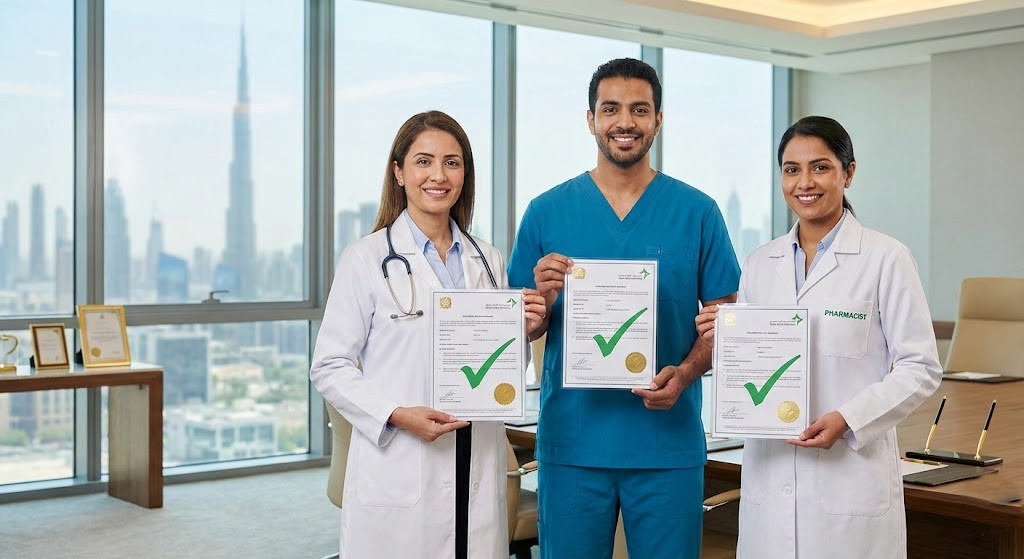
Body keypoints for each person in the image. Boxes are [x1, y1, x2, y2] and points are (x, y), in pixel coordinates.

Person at [507, 58, 740, 558]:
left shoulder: (698, 212)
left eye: (639, 109)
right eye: (610, 109)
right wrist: (540, 305)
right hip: (572, 443)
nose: (625, 122)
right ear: (590, 119)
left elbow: (724, 324)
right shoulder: (546, 211)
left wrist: (688, 369)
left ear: (658, 119)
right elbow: (515, 330)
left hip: (666, 442)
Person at [696, 115, 942, 559]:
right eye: (792, 169)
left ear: (848, 173)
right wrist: (724, 339)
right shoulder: (759, 262)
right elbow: (755, 368)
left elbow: (920, 367)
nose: (804, 182)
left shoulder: (886, 258)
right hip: (770, 481)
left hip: (849, 483)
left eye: (820, 167)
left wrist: (848, 418)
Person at [310, 110, 546, 559]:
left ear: (465, 174)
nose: (438, 175)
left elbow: (500, 367)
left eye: (452, 163)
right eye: (423, 161)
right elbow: (329, 366)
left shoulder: (489, 260)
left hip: (476, 459)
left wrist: (524, 332)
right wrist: (396, 414)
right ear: (398, 172)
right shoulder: (366, 259)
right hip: (402, 460)